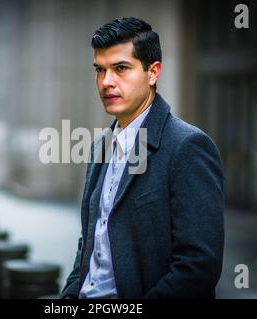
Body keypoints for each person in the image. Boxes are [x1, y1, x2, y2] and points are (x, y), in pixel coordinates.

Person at [61, 17, 224, 299]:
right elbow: (90, 241)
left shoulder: (188, 147)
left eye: (121, 68)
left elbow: (198, 267)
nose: (106, 82)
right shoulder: (99, 147)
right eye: (100, 70)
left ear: (153, 72)